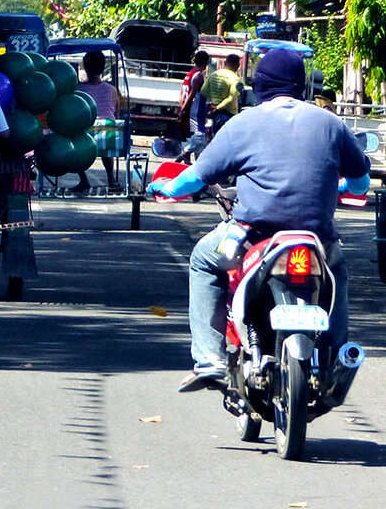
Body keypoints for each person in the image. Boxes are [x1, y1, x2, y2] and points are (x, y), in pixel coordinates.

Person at [149, 49, 370, 392]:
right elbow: (361, 182)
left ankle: (210, 359)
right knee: (337, 276)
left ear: (259, 85)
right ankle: (336, 357)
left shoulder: (244, 123)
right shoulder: (330, 123)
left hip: (254, 236)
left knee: (204, 261)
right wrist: (341, 185)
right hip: (317, 240)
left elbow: (195, 178)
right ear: (302, 86)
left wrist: (163, 186)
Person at [73, 50, 120, 192]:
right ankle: (111, 178)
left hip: (85, 138)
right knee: (107, 130)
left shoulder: (77, 89)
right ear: (102, 68)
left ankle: (83, 179)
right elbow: (116, 113)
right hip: (109, 137)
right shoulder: (112, 89)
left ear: (85, 68)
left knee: (73, 142)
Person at [176, 50, 209, 163]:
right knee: (200, 137)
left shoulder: (189, 73)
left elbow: (182, 92)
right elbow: (192, 94)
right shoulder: (199, 75)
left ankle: (190, 162)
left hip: (187, 109)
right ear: (206, 62)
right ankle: (185, 153)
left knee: (190, 137)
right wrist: (184, 109)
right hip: (194, 110)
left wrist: (181, 106)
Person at [200, 53, 240, 136]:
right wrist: (217, 107)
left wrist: (213, 102)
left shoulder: (214, 74)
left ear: (225, 63)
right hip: (228, 114)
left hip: (214, 113)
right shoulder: (235, 78)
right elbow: (231, 98)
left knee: (215, 137)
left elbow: (203, 91)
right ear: (237, 65)